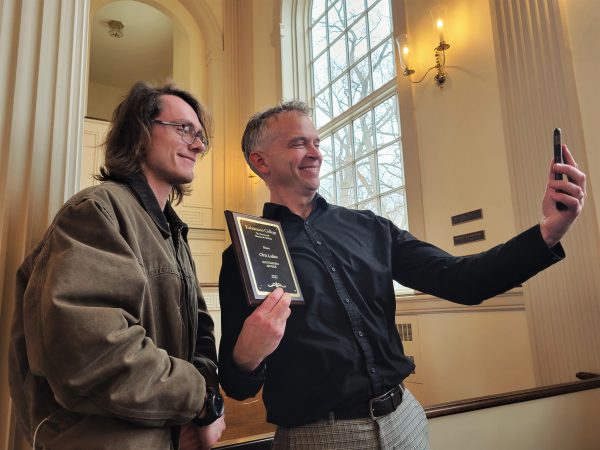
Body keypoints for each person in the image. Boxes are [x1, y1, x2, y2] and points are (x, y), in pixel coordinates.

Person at [218, 101, 586, 449]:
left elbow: (462, 280)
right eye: (299, 143)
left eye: (316, 142)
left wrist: (548, 233)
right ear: (261, 161)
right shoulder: (244, 254)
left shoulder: (370, 227)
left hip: (404, 420)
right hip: (319, 437)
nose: (315, 152)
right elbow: (237, 386)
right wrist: (246, 355)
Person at [9, 82, 226, 450]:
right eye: (184, 128)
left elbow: (200, 340)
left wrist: (200, 406)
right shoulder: (97, 210)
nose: (199, 145)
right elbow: (91, 352)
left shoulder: (173, 233)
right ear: (140, 132)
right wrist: (199, 401)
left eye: (201, 136)